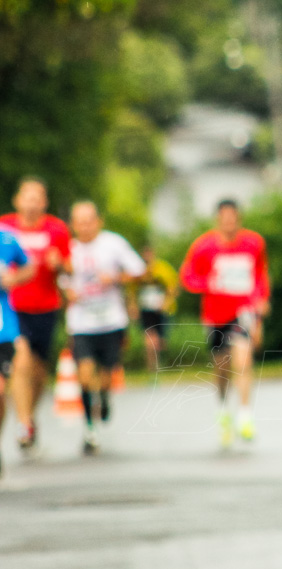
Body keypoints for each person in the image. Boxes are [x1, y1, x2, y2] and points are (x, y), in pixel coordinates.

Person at [179, 199, 270, 447]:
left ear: (239, 218)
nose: (229, 222)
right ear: (218, 219)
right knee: (222, 368)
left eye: (233, 218)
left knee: (243, 359)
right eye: (224, 218)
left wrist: (262, 301)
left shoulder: (253, 243)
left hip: (243, 311)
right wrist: (207, 283)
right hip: (215, 314)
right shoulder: (204, 246)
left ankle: (245, 416)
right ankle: (223, 411)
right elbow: (187, 276)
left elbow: (260, 274)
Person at [61, 201, 146, 454]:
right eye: (79, 221)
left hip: (111, 320)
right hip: (81, 323)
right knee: (85, 376)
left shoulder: (113, 243)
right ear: (72, 225)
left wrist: (116, 278)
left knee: (108, 376)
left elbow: (139, 271)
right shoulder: (67, 249)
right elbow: (59, 279)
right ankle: (90, 429)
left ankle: (105, 397)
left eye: (89, 220)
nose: (84, 226)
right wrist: (67, 292)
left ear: (99, 221)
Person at [0, 177, 72, 453]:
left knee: (40, 373)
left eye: (37, 198)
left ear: (44, 202)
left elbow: (68, 268)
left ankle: (28, 413)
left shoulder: (57, 229)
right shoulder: (4, 227)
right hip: (13, 308)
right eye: (26, 197)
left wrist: (59, 265)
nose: (31, 203)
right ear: (17, 200)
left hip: (45, 306)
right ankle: (24, 423)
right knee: (22, 360)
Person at [0, 229, 35, 476]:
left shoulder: (6, 240)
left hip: (3, 328)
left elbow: (29, 266)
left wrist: (12, 279)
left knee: (1, 391)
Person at [129, 245, 179, 371]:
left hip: (162, 310)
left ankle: (162, 361)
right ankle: (152, 367)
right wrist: (133, 306)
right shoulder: (137, 271)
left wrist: (166, 302)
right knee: (149, 340)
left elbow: (173, 287)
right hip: (146, 309)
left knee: (161, 342)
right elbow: (132, 291)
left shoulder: (163, 268)